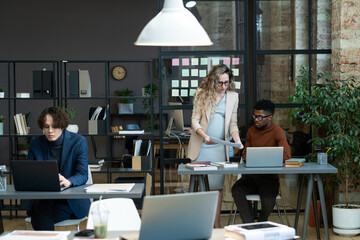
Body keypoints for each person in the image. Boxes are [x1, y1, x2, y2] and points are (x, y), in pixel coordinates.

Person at [187, 64, 244, 228]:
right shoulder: (201, 93)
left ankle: (216, 226)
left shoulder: (233, 96)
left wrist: (237, 140)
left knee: (217, 188)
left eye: (226, 83)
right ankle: (200, 226)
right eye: (220, 83)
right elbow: (194, 121)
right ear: (213, 81)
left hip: (220, 148)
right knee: (201, 188)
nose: (223, 87)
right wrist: (205, 137)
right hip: (202, 147)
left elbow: (233, 124)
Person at [27, 107, 90, 230]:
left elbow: (83, 174)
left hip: (69, 199)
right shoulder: (36, 143)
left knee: (41, 217)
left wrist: (69, 181)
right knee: (41, 212)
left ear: (61, 125)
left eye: (54, 126)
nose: (50, 130)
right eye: (46, 126)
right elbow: (30, 173)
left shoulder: (79, 142)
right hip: (44, 197)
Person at [231, 99, 291, 223]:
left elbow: (286, 155)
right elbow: (245, 155)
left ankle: (261, 221)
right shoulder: (251, 131)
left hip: (269, 178)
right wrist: (251, 158)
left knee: (268, 200)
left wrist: (265, 158)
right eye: (255, 116)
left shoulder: (278, 132)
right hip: (252, 177)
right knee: (237, 189)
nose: (256, 119)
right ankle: (250, 226)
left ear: (270, 117)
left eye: (260, 117)